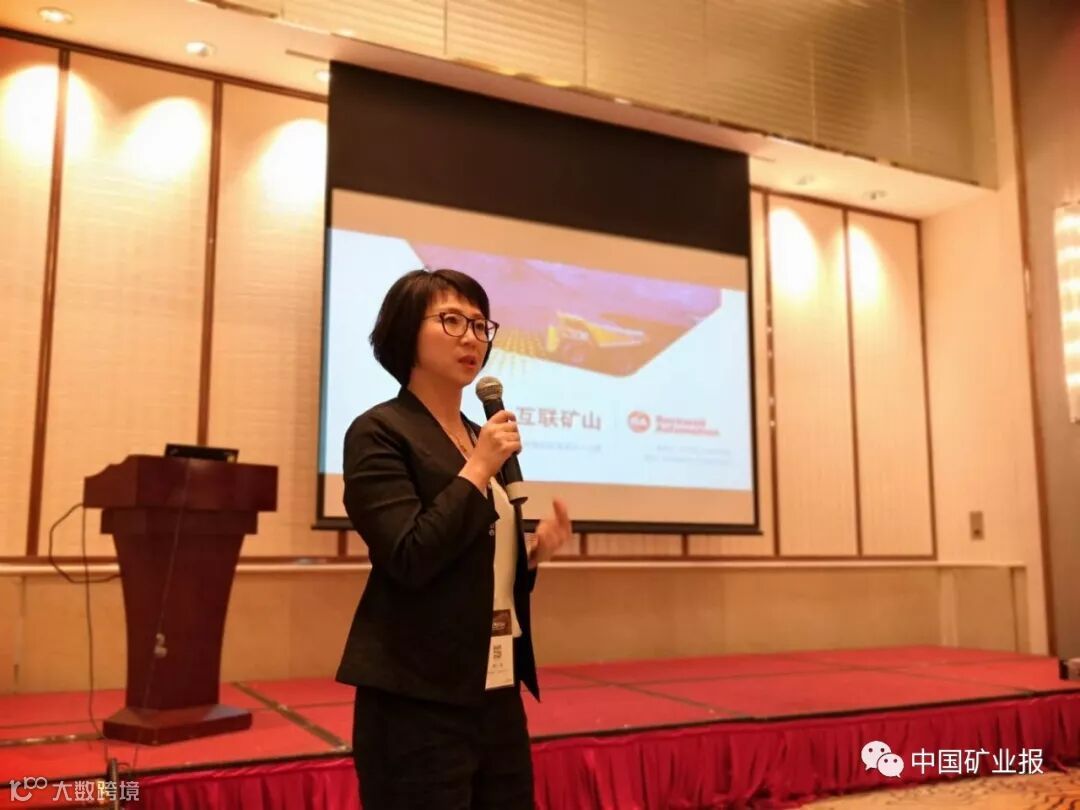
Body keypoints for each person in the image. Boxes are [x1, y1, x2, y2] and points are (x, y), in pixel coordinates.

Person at [336, 267, 572, 809]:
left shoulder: (475, 433)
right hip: (415, 696)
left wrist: (530, 554)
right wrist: (480, 467)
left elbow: (469, 554)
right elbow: (409, 555)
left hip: (496, 685)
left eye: (480, 325)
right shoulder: (379, 432)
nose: (472, 338)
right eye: (451, 321)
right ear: (405, 331)